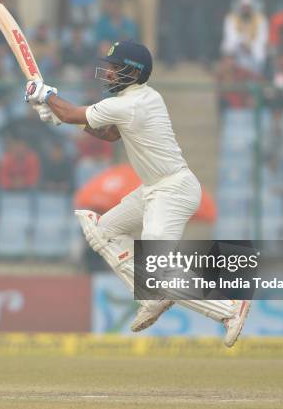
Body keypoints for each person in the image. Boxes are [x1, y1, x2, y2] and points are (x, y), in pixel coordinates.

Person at [25, 40, 250, 347]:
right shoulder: (142, 98)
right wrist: (57, 113)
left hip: (173, 190)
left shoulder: (129, 104)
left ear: (133, 72)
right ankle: (154, 297)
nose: (108, 74)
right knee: (101, 231)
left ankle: (229, 309)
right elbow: (109, 134)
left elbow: (74, 113)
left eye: (115, 69)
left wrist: (47, 96)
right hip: (154, 189)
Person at [221, 0, 268, 74]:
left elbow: (262, 38)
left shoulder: (261, 19)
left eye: (248, 7)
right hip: (238, 48)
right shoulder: (231, 18)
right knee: (227, 45)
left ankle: (256, 76)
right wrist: (242, 43)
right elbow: (230, 36)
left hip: (254, 50)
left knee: (260, 52)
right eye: (243, 7)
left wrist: (251, 46)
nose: (246, 9)